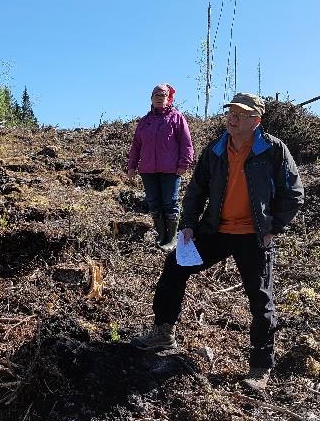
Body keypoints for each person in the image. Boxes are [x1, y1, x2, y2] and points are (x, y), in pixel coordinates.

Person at [132, 93, 304, 391]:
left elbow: (294, 193)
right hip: (215, 231)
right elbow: (196, 190)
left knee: (260, 299)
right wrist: (187, 225)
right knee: (174, 265)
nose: (233, 117)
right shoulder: (216, 149)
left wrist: (273, 227)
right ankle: (163, 331)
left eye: (241, 113)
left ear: (256, 120)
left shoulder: (274, 150)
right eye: (231, 111)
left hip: (254, 236)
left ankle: (260, 367)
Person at [126, 83, 193, 251]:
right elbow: (136, 146)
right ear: (151, 98)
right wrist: (132, 166)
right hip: (148, 170)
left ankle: (171, 239)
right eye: (156, 94)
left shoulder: (177, 117)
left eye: (162, 95)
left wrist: (184, 163)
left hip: (171, 169)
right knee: (154, 203)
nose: (159, 97)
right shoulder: (144, 121)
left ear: (168, 98)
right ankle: (161, 236)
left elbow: (186, 143)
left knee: (170, 202)